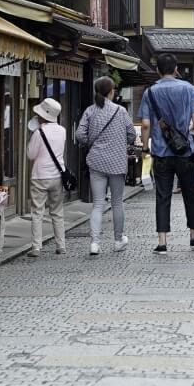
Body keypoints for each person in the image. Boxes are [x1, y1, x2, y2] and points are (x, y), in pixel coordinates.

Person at [138, 53, 194, 253]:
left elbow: (145, 124)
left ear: (157, 70)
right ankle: (193, 235)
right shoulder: (187, 89)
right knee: (190, 193)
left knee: (162, 196)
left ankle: (162, 242)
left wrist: (145, 149)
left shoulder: (150, 92)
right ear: (176, 69)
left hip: (161, 153)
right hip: (185, 151)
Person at [76, 76, 137, 256]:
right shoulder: (121, 111)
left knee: (97, 204)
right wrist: (120, 143)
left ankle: (95, 243)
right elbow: (132, 134)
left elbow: (79, 134)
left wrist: (92, 143)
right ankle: (118, 240)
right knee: (117, 203)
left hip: (96, 161)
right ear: (111, 91)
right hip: (117, 162)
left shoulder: (90, 111)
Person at [26, 98, 67, 256]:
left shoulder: (38, 132)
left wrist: (32, 136)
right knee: (57, 212)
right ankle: (61, 245)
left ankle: (36, 247)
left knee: (37, 212)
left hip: (40, 176)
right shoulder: (62, 131)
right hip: (57, 175)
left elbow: (31, 155)